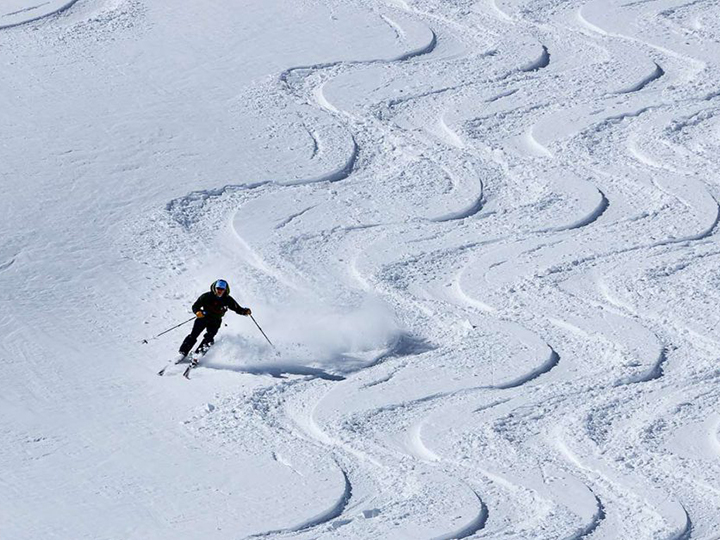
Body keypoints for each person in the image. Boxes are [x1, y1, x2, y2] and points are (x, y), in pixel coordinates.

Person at [179, 279, 251, 358]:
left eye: (222, 289)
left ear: (225, 290)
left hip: (215, 321)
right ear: (215, 288)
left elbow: (237, 308)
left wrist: (245, 311)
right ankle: (183, 352)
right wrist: (197, 312)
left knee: (209, 337)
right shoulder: (206, 296)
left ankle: (197, 355)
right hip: (203, 318)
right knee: (193, 335)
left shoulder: (227, 299)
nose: (219, 291)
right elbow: (195, 306)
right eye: (218, 289)